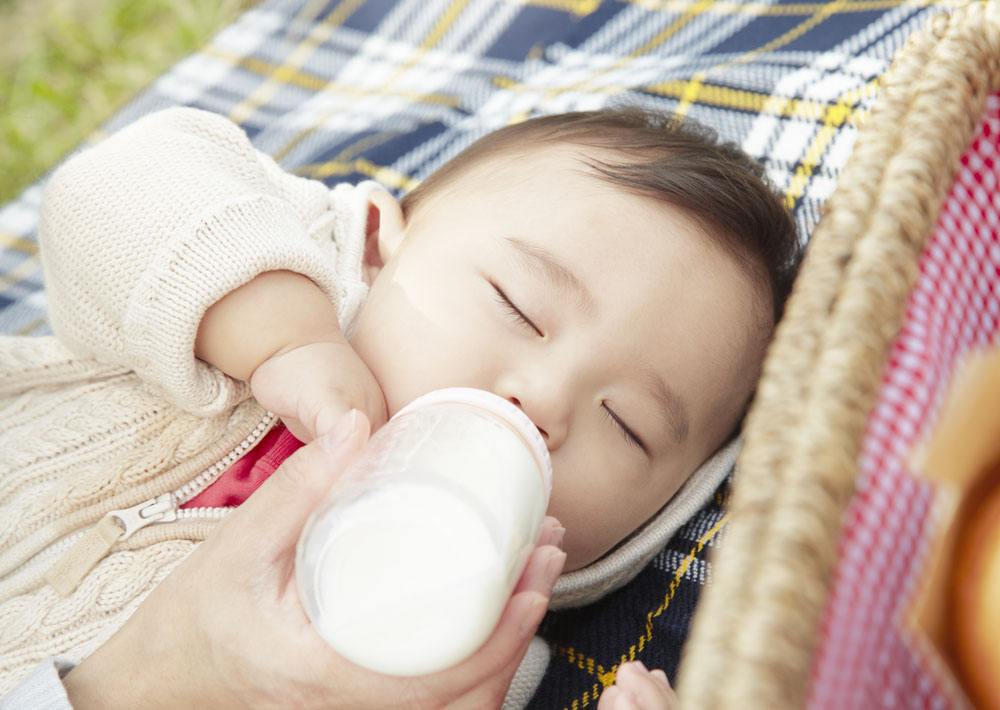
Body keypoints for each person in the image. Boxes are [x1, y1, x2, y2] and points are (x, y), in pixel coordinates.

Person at [0, 104, 799, 708]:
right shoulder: (282, 282)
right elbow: (123, 181)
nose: (544, 401)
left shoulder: (468, 653)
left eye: (628, 424)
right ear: (380, 246)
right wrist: (280, 335)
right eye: (517, 306)